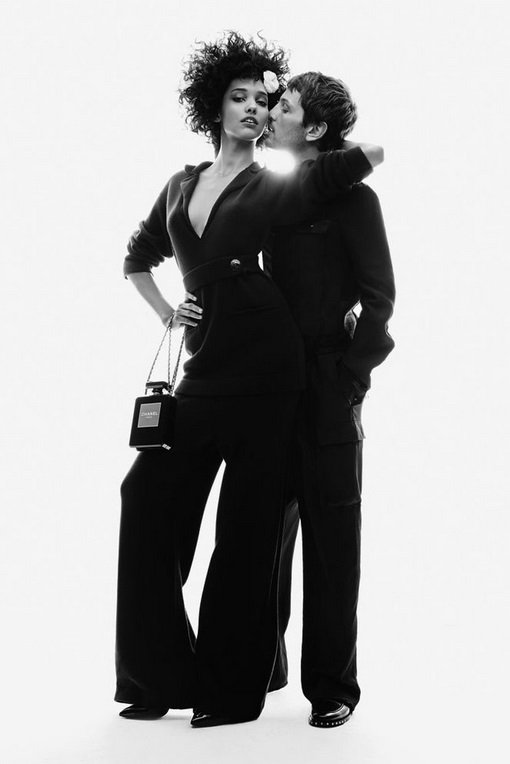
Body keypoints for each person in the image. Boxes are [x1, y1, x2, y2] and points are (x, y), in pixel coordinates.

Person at [115, 33, 383, 728]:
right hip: (205, 366)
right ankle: (157, 675)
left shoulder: (273, 185)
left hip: (272, 367)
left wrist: (350, 370)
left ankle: (233, 693)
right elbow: (137, 258)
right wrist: (169, 312)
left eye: (264, 102)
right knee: (146, 498)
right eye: (238, 98)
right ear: (214, 106)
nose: (253, 109)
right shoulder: (179, 184)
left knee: (247, 528)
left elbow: (351, 166)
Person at [263, 72, 395, 727]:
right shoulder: (270, 192)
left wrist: (350, 378)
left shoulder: (356, 200)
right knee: (262, 529)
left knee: (333, 536)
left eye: (283, 107)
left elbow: (380, 299)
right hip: (267, 386)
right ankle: (263, 666)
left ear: (314, 128)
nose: (270, 113)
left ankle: (333, 688)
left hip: (328, 384)